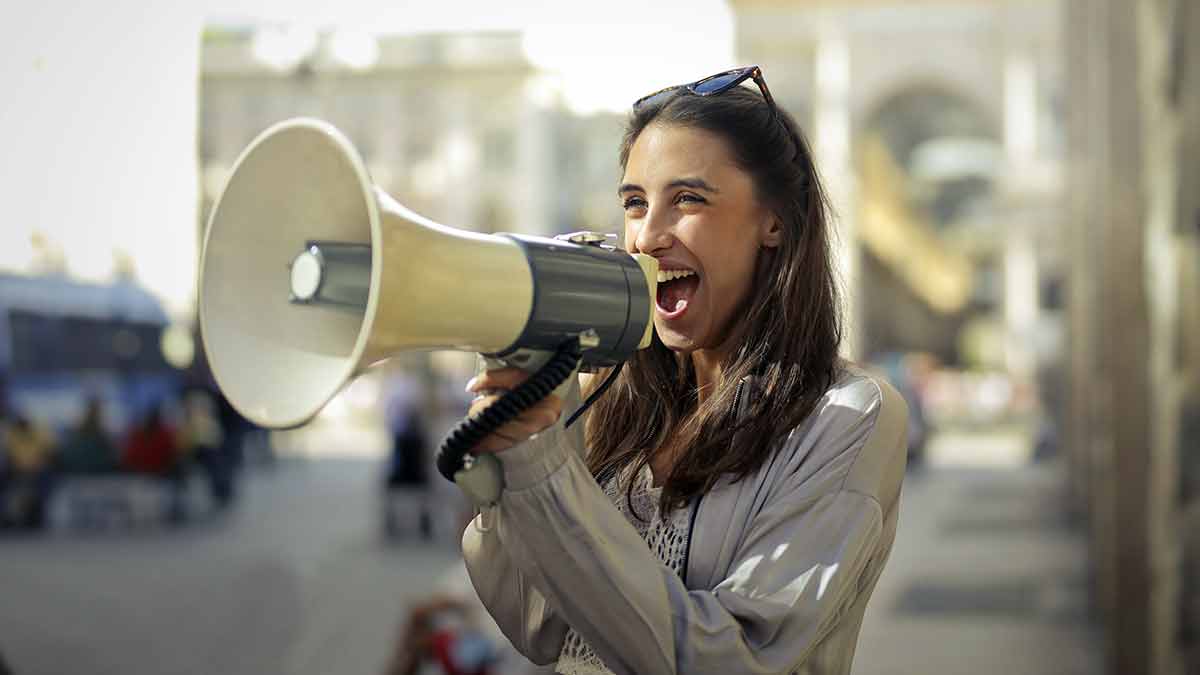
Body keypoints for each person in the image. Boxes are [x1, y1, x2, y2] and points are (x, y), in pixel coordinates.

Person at [459, 66, 909, 675]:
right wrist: (510, 467)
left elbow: (726, 658)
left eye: (688, 199)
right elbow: (537, 624)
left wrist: (545, 473)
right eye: (635, 204)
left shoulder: (848, 417)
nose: (646, 236)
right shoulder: (605, 396)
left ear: (774, 221)